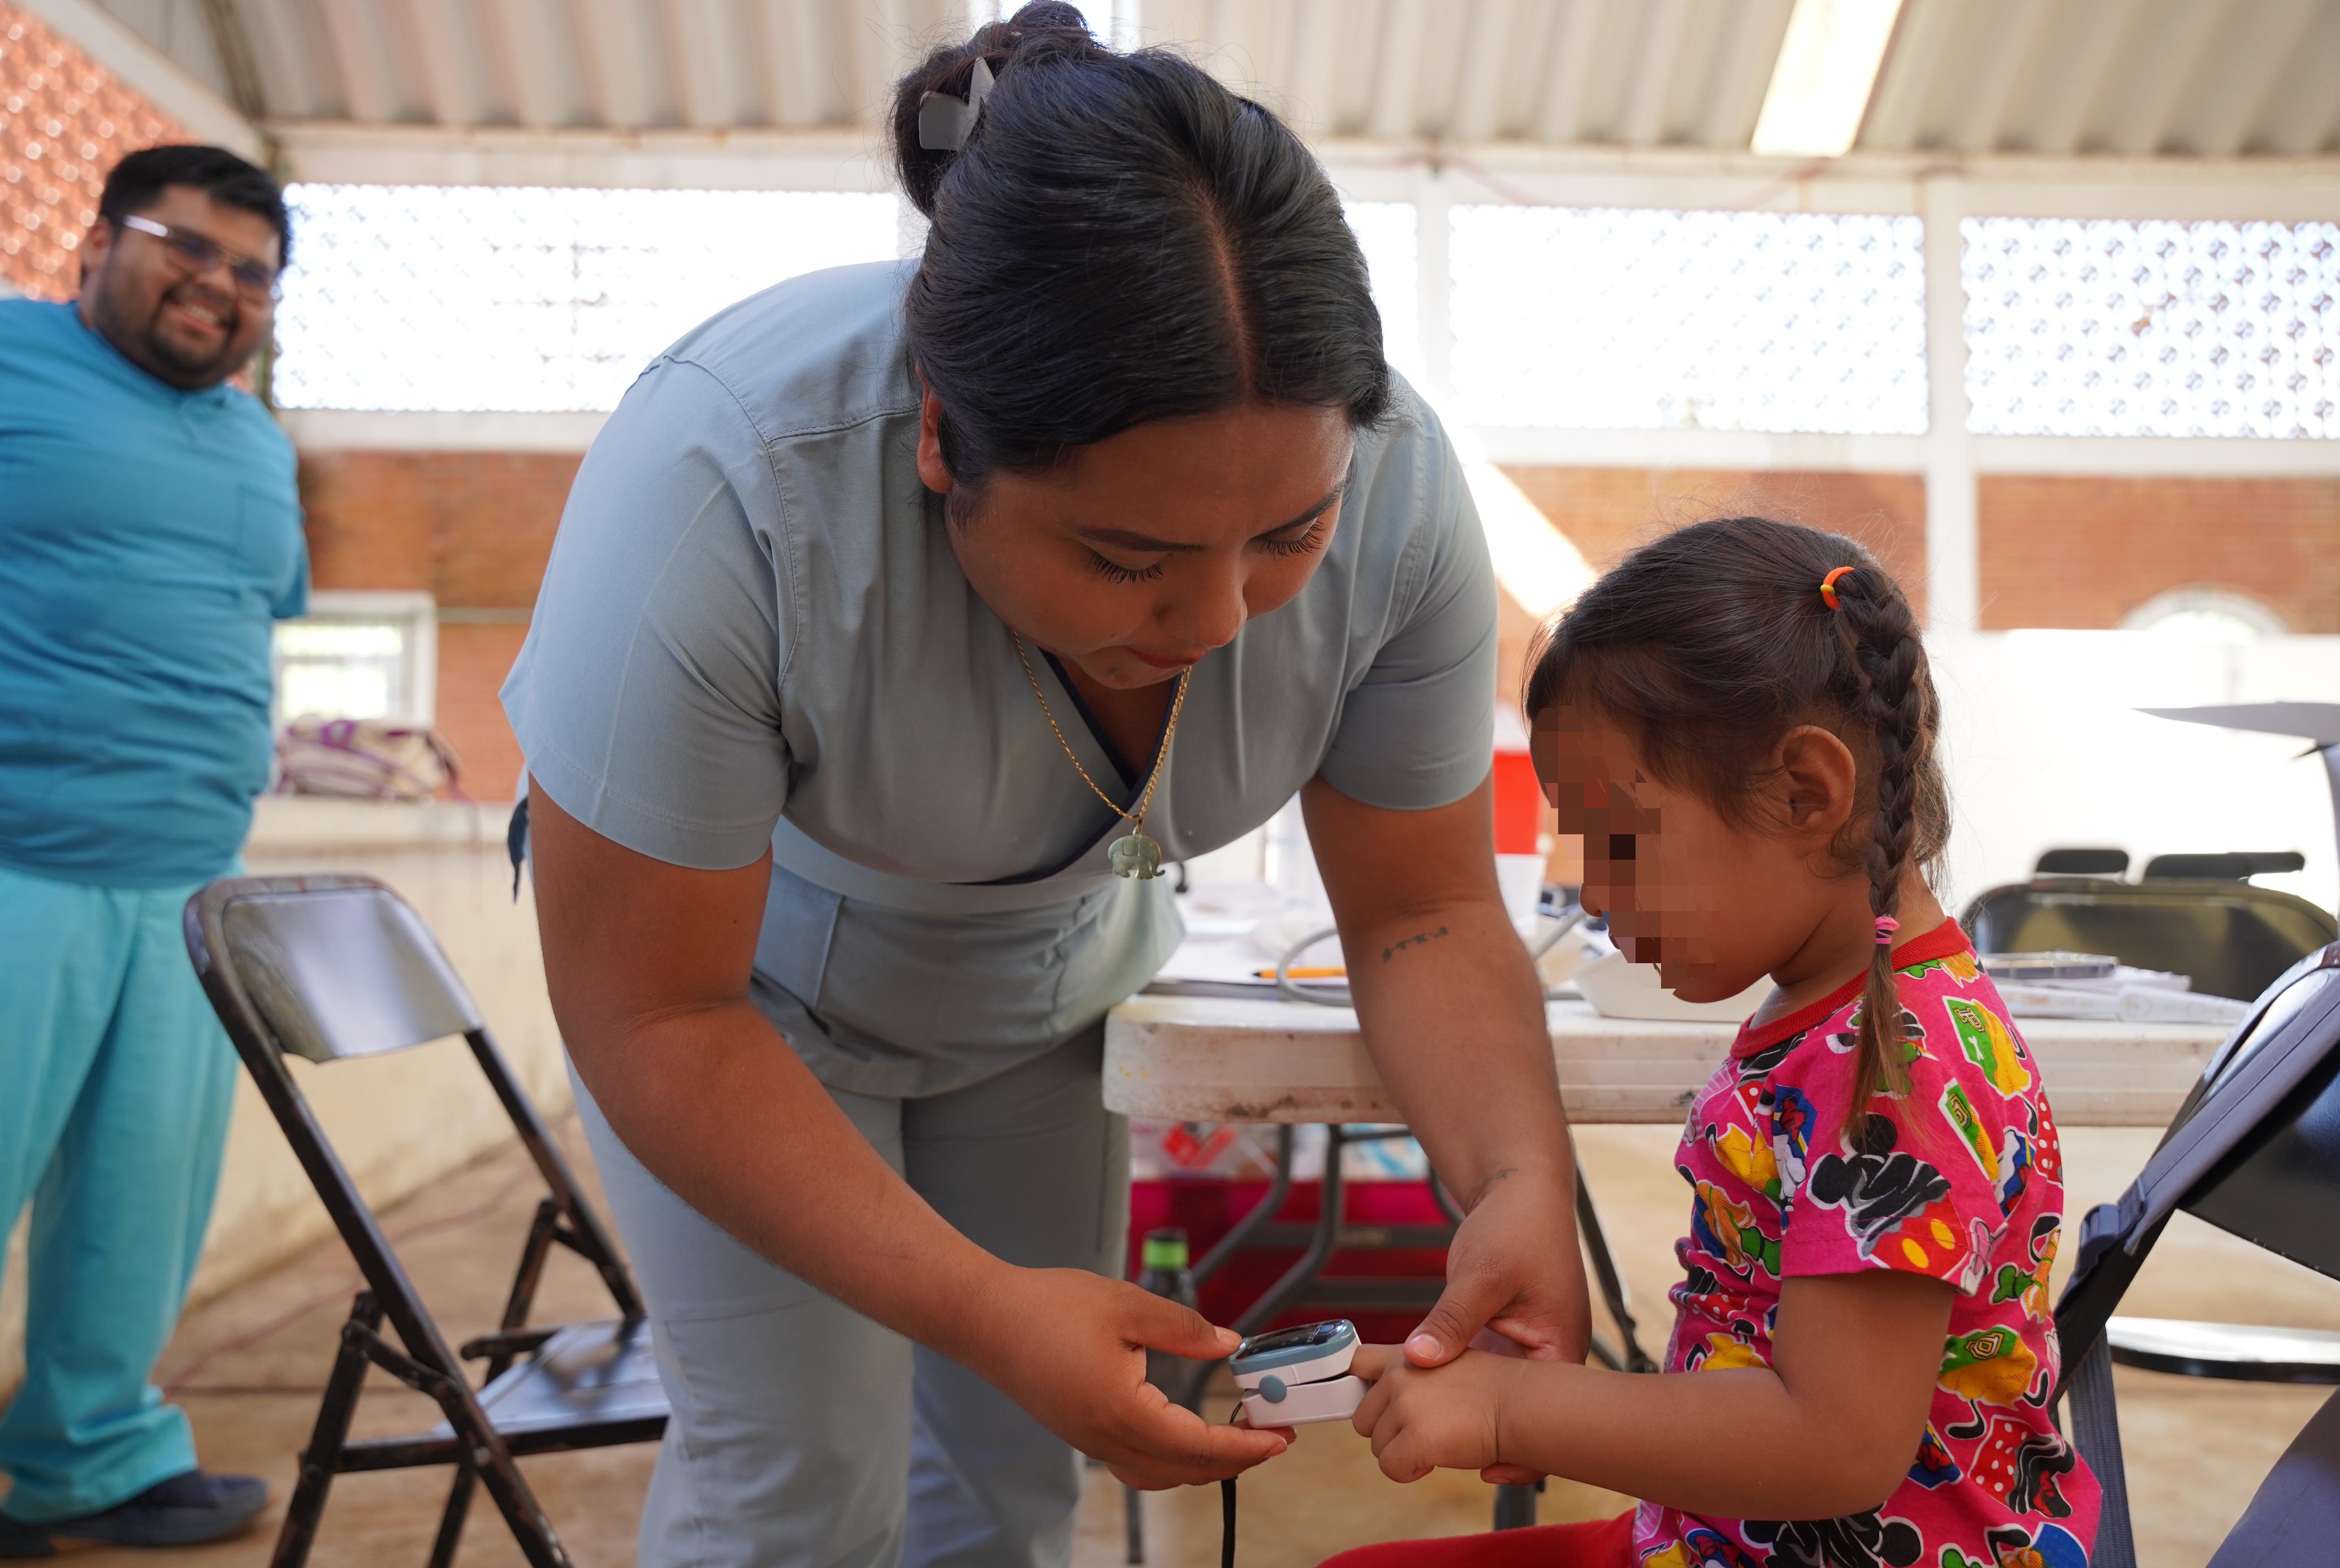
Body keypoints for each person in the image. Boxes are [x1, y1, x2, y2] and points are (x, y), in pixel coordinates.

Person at [501, 5, 1594, 1564]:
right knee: (802, 1482)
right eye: (1125, 556)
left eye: (1288, 535)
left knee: (1018, 1478)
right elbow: (657, 1009)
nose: (1221, 622)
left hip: (1043, 1000)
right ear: (944, 439)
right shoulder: (731, 479)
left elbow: (1422, 909)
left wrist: (1513, 1175)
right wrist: (985, 1308)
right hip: (739, 1007)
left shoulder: (1401, 489)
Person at [1324, 519, 2099, 1568]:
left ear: (1806, 791)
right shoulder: (1844, 1015)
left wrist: (1516, 1407)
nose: (1595, 893)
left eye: (1621, 841)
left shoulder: (1898, 1063)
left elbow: (1834, 1444)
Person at [0, 145, 305, 1553]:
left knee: (139, 1203)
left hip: (186, 880)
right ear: (95, 243)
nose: (216, 283)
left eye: (250, 270)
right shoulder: (13, 359)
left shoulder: (257, 441)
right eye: (183, 243)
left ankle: (88, 1453)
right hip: (19, 865)